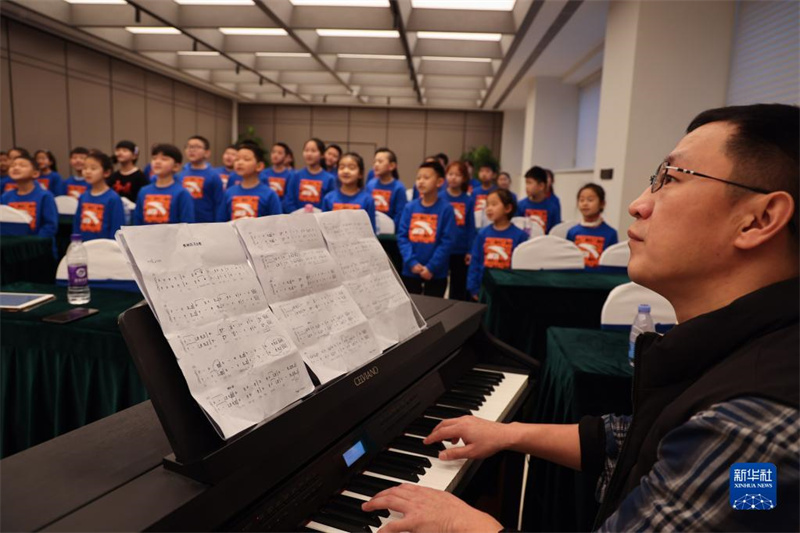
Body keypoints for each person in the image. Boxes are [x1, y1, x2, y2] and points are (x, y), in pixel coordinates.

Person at [363, 103, 800, 532]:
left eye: (670, 179)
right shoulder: (747, 350)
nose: (637, 204)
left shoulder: (750, 431)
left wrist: (462, 524)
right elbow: (641, 439)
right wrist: (510, 434)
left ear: (758, 219)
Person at [396, 161, 455, 297]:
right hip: (410, 270)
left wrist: (431, 267)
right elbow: (402, 237)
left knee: (434, 310)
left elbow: (447, 241)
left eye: (426, 178)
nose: (421, 181)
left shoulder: (446, 209)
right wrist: (412, 262)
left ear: (439, 182)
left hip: (436, 272)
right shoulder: (409, 207)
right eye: (418, 178)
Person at [466, 189, 527, 301]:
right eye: (487, 204)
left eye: (494, 204)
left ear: (508, 208)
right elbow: (475, 261)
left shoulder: (520, 236)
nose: (489, 208)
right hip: (484, 288)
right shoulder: (482, 234)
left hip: (509, 290)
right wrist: (473, 287)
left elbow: (521, 266)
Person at [439, 161, 476, 301]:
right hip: (442, 248)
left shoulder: (468, 200)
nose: (453, 178)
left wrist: (470, 250)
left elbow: (471, 227)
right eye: (450, 174)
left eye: (458, 175)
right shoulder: (440, 197)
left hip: (460, 250)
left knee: (458, 286)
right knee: (441, 284)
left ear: (464, 178)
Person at [217, 144, 281, 222]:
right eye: (237, 159)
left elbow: (277, 224)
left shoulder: (270, 194)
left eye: (246, 159)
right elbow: (221, 221)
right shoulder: (229, 192)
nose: (239, 163)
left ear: (259, 166)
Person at [133, 144, 195, 225]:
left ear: (176, 166)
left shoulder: (182, 193)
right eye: (154, 158)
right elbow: (137, 222)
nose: (157, 162)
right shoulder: (144, 191)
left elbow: (188, 224)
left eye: (164, 159)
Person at [1, 153, 58, 239]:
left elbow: (50, 226)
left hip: (36, 247)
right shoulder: (5, 196)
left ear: (35, 173)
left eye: (22, 165)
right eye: (13, 165)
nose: (16, 168)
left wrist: (32, 242)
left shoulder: (45, 196)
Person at [73, 150, 125, 241]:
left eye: (93, 168)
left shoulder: (113, 198)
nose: (87, 172)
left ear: (106, 173)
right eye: (85, 168)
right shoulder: (83, 197)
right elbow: (77, 226)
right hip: (84, 249)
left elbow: (116, 231)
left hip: (105, 250)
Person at [321, 152, 376, 232]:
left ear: (360, 174)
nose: (346, 171)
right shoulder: (328, 198)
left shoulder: (368, 200)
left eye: (351, 168)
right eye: (342, 167)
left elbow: (371, 232)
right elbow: (323, 229)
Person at [567, 184, 619, 268]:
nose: (585, 203)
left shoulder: (611, 233)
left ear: (602, 204)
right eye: (581, 200)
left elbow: (611, 262)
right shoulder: (572, 232)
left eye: (590, 200)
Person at [176, 135, 224, 223]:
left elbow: (219, 203)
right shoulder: (180, 175)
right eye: (189, 146)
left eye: (197, 147)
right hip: (184, 223)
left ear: (207, 153)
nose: (192, 150)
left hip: (207, 223)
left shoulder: (214, 176)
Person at [284, 138, 335, 213]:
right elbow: (288, 200)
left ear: (322, 155)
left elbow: (330, 203)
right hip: (296, 219)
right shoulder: (295, 176)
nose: (309, 154)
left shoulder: (329, 178)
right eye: (306, 150)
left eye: (313, 151)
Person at [366, 147, 406, 229]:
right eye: (375, 162)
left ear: (391, 166)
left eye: (380, 161)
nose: (376, 164)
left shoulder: (399, 188)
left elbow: (399, 214)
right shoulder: (370, 184)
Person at [517, 166, 561, 234]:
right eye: (526, 183)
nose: (527, 187)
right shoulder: (520, 205)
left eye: (529, 183)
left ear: (541, 186)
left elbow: (555, 230)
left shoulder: (552, 207)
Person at [260, 142, 294, 210]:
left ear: (286, 156)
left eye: (279, 153)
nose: (275, 155)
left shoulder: (291, 175)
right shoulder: (263, 173)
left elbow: (289, 197)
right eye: (273, 152)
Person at [473, 162, 499, 228]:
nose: (484, 174)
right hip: (476, 224)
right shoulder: (474, 192)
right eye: (481, 171)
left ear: (494, 175)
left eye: (487, 171)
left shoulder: (497, 191)